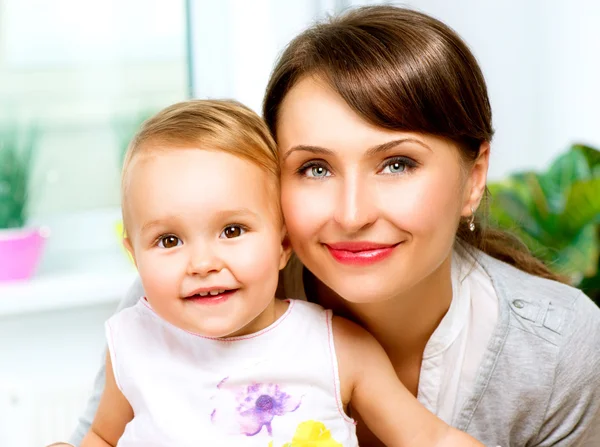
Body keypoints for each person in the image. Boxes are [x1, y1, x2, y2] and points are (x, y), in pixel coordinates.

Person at [58, 5, 600, 447]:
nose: (352, 213)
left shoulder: (556, 352)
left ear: (474, 178)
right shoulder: (186, 299)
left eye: (397, 163)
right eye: (314, 168)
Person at [75, 99, 484, 447]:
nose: (201, 264)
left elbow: (432, 439)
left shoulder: (337, 346)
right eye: (168, 241)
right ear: (134, 256)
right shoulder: (132, 342)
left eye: (232, 231)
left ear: (283, 244)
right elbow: (101, 437)